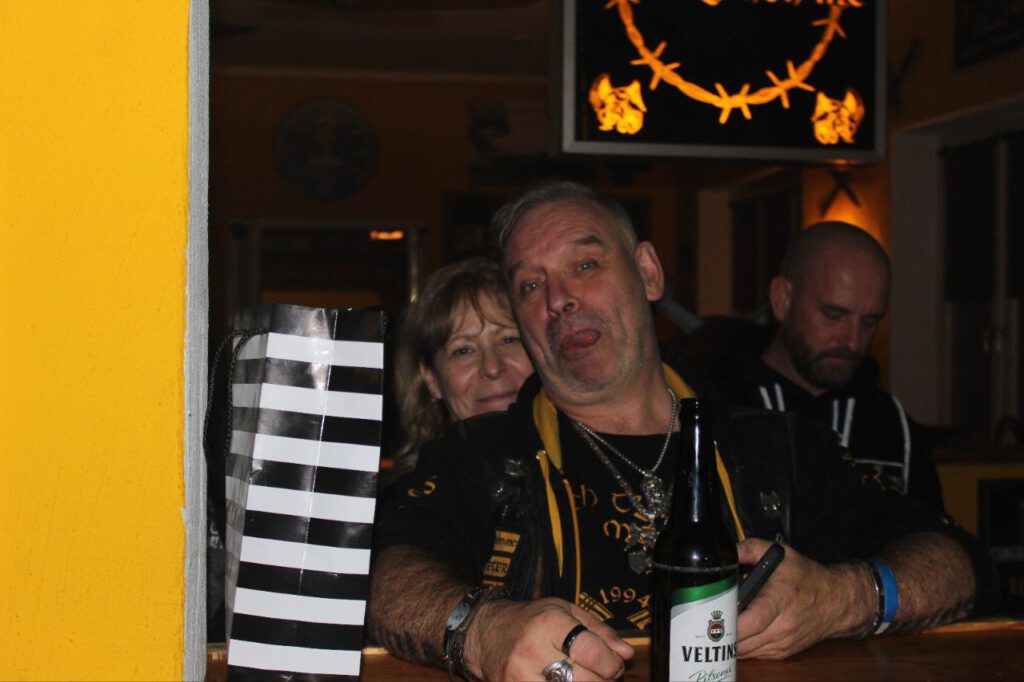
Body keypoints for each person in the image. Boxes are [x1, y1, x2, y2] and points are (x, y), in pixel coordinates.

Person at [368, 181, 995, 681]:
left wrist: (847, 598)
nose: (558, 298)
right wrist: (479, 631)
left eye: (585, 263)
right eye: (531, 284)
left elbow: (958, 558)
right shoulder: (481, 456)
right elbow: (379, 573)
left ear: (648, 272)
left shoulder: (776, 449)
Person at [706, 222, 944, 509]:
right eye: (833, 315)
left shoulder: (892, 427)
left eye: (869, 321)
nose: (853, 341)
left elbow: (932, 530)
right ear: (782, 300)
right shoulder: (715, 407)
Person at [389, 257, 534, 480]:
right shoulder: (411, 497)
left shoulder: (587, 475)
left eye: (508, 340)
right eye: (463, 351)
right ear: (431, 379)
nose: (492, 368)